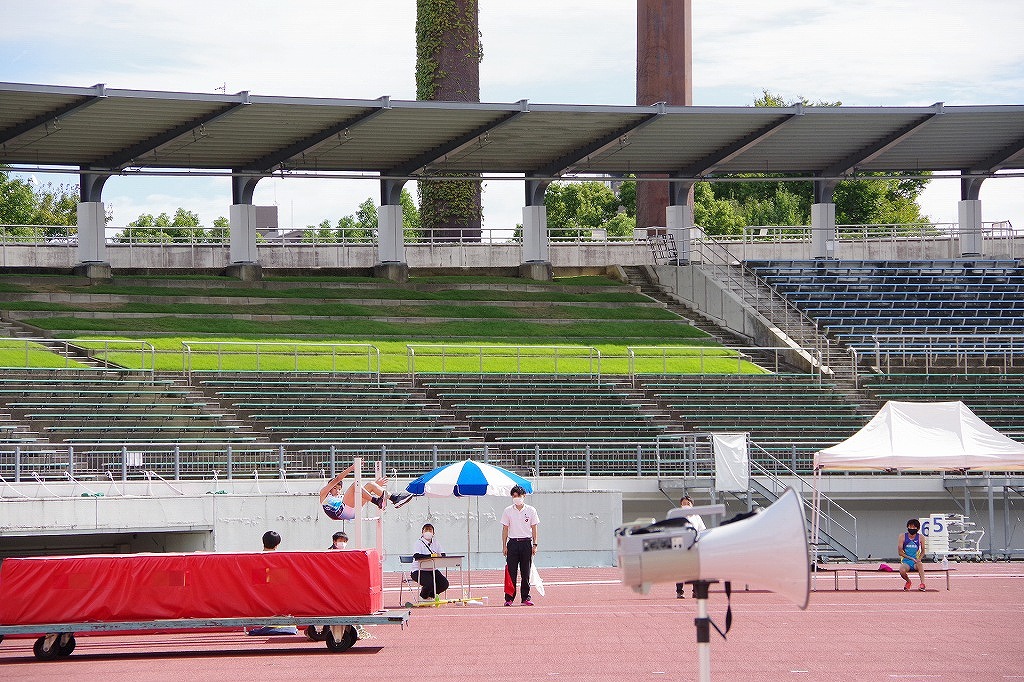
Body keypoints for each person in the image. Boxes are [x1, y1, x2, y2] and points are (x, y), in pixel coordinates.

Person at [248, 530, 299, 636]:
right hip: (277, 597)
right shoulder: (281, 558)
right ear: (277, 544)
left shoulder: (256, 558)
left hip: (261, 598)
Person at [319, 465, 413, 521]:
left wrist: (376, 486)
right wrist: (351, 468)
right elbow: (338, 479)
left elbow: (362, 494)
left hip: (354, 512)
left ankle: (394, 498)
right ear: (330, 488)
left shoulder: (342, 497)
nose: (337, 491)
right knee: (355, 485)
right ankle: (377, 501)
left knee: (370, 484)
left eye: (339, 489)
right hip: (340, 513)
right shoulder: (324, 494)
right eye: (334, 488)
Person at [501, 485, 540, 607]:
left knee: (525, 572)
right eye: (514, 496)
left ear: (524, 496)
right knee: (511, 572)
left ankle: (525, 597)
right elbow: (505, 528)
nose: (516, 498)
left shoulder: (531, 510)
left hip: (526, 543)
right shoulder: (508, 510)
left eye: (518, 496)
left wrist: (535, 544)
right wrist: (504, 546)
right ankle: (509, 598)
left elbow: (534, 527)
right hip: (512, 543)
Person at [675, 495, 707, 598]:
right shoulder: (677, 516)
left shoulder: (696, 516)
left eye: (688, 503)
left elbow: (702, 530)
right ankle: (679, 591)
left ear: (692, 505)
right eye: (684, 503)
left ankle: (695, 591)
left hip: (694, 546)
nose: (686, 505)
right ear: (680, 505)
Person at [410, 523, 450, 601]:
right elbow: (417, 556)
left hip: (432, 569)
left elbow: (443, 554)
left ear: (433, 533)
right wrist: (431, 556)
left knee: (444, 584)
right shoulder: (419, 543)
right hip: (418, 570)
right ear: (422, 532)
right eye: (426, 530)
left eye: (430, 530)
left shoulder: (436, 542)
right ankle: (422, 597)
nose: (428, 532)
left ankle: (430, 596)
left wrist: (439, 555)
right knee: (429, 583)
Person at [899, 518, 927, 591]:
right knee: (901, 570)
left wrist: (919, 558)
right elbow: (900, 552)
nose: (911, 529)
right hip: (906, 561)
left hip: (916, 562)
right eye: (910, 527)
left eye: (914, 527)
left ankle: (922, 584)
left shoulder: (921, 537)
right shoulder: (902, 536)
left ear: (917, 528)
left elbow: (923, 551)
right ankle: (908, 581)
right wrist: (910, 558)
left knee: (920, 564)